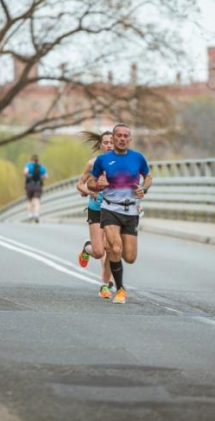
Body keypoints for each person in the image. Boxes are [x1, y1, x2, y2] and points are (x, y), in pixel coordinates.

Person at [87, 123, 152, 305]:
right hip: (110, 208)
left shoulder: (138, 158)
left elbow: (149, 177)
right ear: (113, 138)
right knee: (114, 248)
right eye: (119, 136)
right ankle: (120, 289)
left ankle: (117, 273)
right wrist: (99, 185)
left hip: (130, 210)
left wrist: (144, 189)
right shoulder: (103, 160)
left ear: (129, 139)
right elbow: (91, 183)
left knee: (129, 257)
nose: (122, 139)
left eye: (126, 136)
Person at [75, 130, 115, 299]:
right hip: (96, 209)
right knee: (99, 252)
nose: (109, 145)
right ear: (100, 145)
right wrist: (89, 192)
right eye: (105, 142)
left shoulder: (122, 164)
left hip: (114, 210)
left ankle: (105, 285)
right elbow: (79, 184)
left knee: (110, 248)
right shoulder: (92, 164)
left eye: (111, 142)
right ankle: (87, 248)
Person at [24, 154, 48, 223]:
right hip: (38, 186)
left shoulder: (28, 165)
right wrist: (40, 179)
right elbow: (46, 176)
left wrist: (28, 176)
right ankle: (36, 214)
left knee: (29, 200)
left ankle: (30, 215)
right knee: (37, 201)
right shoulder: (41, 167)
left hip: (29, 185)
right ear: (38, 160)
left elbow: (25, 172)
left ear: (31, 160)